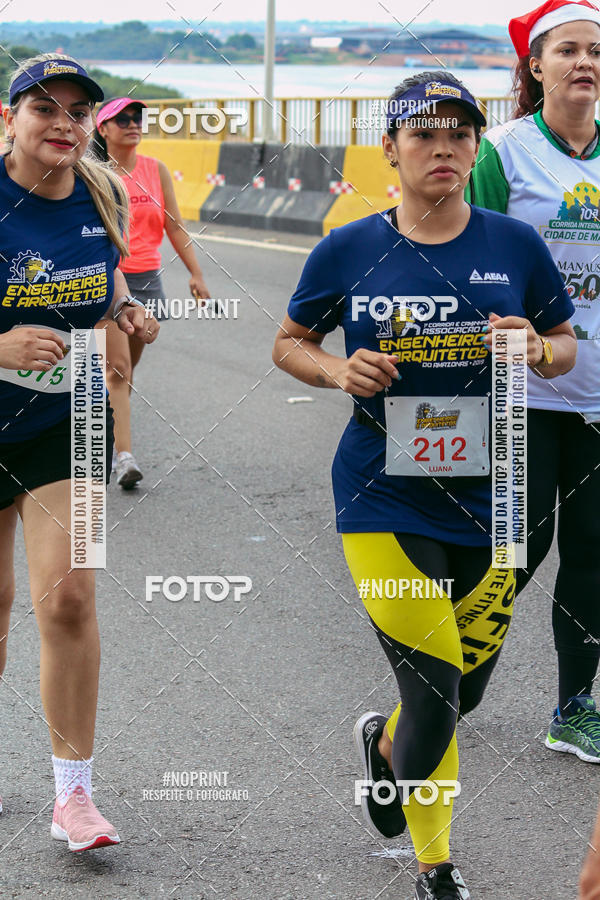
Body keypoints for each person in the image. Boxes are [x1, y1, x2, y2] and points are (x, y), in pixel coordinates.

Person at [273, 71, 576, 899]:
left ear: (475, 149)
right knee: (435, 686)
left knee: (464, 693)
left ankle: (383, 746)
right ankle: (436, 867)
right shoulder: (350, 247)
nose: (443, 148)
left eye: (460, 135)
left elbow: (565, 343)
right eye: (423, 134)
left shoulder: (514, 245)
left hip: (493, 493)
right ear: (390, 149)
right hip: (382, 493)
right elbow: (290, 341)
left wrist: (535, 348)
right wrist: (337, 369)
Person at [0, 53, 159, 849]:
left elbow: (109, 280)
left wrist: (127, 313)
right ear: (9, 120)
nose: (63, 123)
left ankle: (75, 795)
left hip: (73, 421)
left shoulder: (103, 190)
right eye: (44, 109)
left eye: (77, 112)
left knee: (70, 598)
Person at [470, 0, 600, 763]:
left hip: (598, 401)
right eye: (569, 51)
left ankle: (574, 707)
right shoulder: (506, 152)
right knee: (514, 552)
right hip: (522, 394)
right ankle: (443, 680)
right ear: (536, 67)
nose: (585, 63)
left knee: (593, 552)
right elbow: (475, 261)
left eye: (595, 51)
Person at [93, 98, 210, 489]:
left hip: (147, 279)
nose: (132, 124)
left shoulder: (154, 170)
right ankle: (123, 457)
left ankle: (108, 414)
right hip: (110, 279)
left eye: (137, 118)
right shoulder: (92, 174)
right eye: (121, 119)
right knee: (119, 369)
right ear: (103, 129)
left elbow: (174, 226)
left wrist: (196, 273)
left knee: (126, 370)